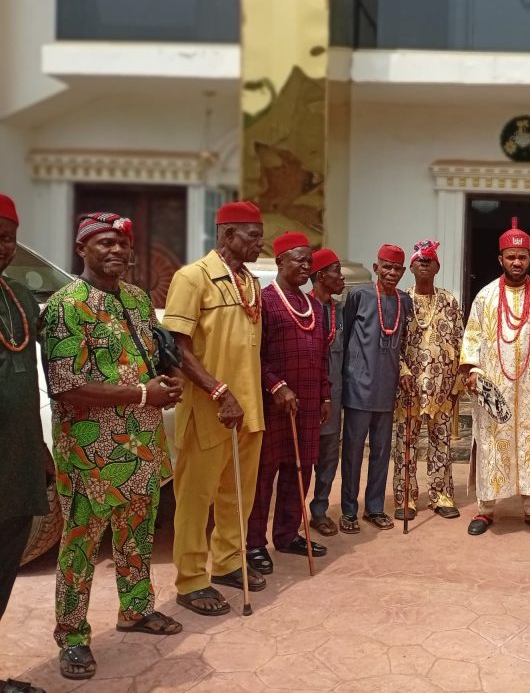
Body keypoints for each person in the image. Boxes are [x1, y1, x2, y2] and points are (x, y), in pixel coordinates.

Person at [43, 212, 183, 680]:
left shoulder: (138, 299)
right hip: (91, 451)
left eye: (122, 243)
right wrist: (145, 394)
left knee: (137, 530)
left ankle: (136, 609)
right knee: (81, 544)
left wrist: (165, 381)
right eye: (104, 242)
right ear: (81, 249)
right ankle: (72, 636)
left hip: (141, 443)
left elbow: (150, 357)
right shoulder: (66, 306)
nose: (116, 250)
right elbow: (66, 387)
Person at [164, 201, 267, 617]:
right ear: (227, 235)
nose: (259, 243)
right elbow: (177, 348)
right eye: (252, 236)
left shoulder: (251, 282)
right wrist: (219, 391)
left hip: (250, 409)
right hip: (211, 408)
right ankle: (190, 580)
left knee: (237, 495)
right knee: (196, 498)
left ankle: (227, 562)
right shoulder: (192, 277)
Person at [460, 219, 530, 536]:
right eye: (511, 257)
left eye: (522, 257)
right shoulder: (485, 297)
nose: (517, 262)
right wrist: (474, 374)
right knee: (491, 447)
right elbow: (471, 340)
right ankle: (485, 509)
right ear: (501, 259)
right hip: (494, 391)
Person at [245, 233, 331, 574]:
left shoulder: (315, 306)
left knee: (301, 470)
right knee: (265, 474)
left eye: (310, 261)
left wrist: (324, 395)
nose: (307, 266)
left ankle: (287, 534)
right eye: (299, 260)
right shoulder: (264, 301)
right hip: (273, 404)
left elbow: (322, 357)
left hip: (307, 403)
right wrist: (276, 386)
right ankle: (254, 543)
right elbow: (254, 355)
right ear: (280, 261)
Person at [0, 195, 51, 693]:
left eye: (8, 238)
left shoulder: (18, 294)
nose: (3, 246)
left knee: (3, 572)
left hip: (16, 459)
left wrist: (39, 446)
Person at [340, 244, 412, 533]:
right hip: (358, 388)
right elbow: (346, 335)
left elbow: (405, 343)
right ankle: (348, 511)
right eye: (387, 267)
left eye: (397, 269)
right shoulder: (359, 295)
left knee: (382, 452)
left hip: (387, 388)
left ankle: (374, 508)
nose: (392, 273)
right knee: (353, 453)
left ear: (403, 271)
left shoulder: (404, 301)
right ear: (376, 268)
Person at [393, 239, 464, 520]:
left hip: (442, 387)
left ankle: (441, 496)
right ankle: (406, 498)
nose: (424, 264)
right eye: (419, 261)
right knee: (405, 445)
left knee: (441, 444)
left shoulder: (449, 301)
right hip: (409, 387)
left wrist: (457, 384)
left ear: (437, 267)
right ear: (411, 267)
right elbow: (393, 345)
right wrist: (402, 372)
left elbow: (460, 342)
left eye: (429, 261)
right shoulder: (401, 301)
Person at [308, 248, 346, 536]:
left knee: (329, 457)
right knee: (298, 462)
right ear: (321, 276)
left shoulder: (340, 311)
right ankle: (290, 519)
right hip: (306, 396)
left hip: (333, 397)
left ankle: (319, 511)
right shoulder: (302, 307)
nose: (342, 277)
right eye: (337, 271)